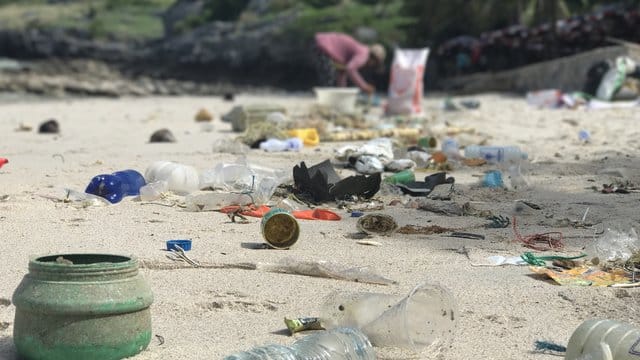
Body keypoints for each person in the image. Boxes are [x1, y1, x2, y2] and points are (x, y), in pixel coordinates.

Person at [313, 32, 386, 94]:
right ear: (373, 59)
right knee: (328, 80)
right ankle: (325, 103)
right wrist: (364, 86)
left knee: (328, 79)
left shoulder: (359, 51)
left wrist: (342, 92)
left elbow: (342, 72)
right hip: (323, 45)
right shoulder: (364, 55)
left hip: (319, 42)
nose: (372, 65)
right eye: (375, 64)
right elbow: (350, 69)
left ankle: (326, 101)